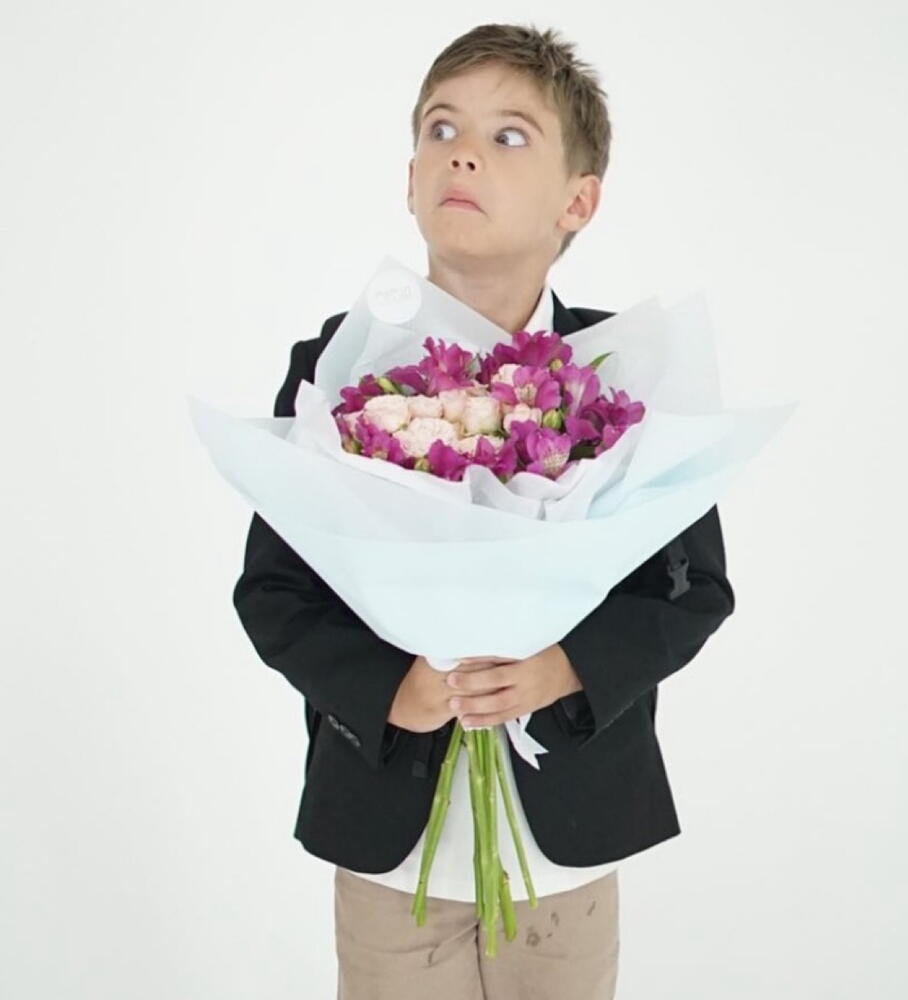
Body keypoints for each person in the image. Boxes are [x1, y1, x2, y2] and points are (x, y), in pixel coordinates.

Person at [233, 22, 736, 1000]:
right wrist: (392, 689)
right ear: (410, 177)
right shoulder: (340, 368)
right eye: (440, 128)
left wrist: (563, 669)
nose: (462, 152)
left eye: (508, 136)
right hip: (390, 848)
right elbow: (274, 594)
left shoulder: (624, 374)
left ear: (577, 200)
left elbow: (692, 593)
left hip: (569, 851)